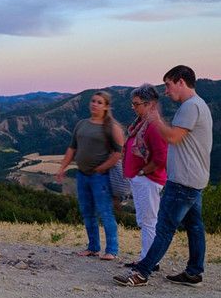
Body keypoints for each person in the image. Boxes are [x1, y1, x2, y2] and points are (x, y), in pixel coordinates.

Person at [114, 65, 213, 287]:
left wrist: (156, 121)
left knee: (164, 228)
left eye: (168, 85)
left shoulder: (190, 106)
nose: (166, 91)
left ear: (181, 81)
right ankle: (194, 272)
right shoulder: (199, 105)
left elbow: (174, 138)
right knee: (195, 227)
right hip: (194, 178)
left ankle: (141, 272)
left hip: (183, 180)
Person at [57, 91, 124, 260]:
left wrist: (102, 168)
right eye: (93, 101)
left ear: (106, 106)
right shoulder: (82, 124)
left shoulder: (111, 127)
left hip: (99, 177)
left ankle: (112, 250)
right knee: (87, 212)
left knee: (105, 212)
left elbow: (118, 153)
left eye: (99, 102)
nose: (95, 104)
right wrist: (63, 167)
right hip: (82, 175)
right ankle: (93, 247)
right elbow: (72, 148)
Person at [122, 84, 167, 270]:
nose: (133, 107)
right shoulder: (141, 123)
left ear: (149, 104)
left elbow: (161, 156)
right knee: (144, 220)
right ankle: (146, 258)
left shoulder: (154, 126)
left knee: (148, 221)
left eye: (136, 104)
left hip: (149, 181)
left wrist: (143, 172)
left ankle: (149, 262)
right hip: (141, 180)